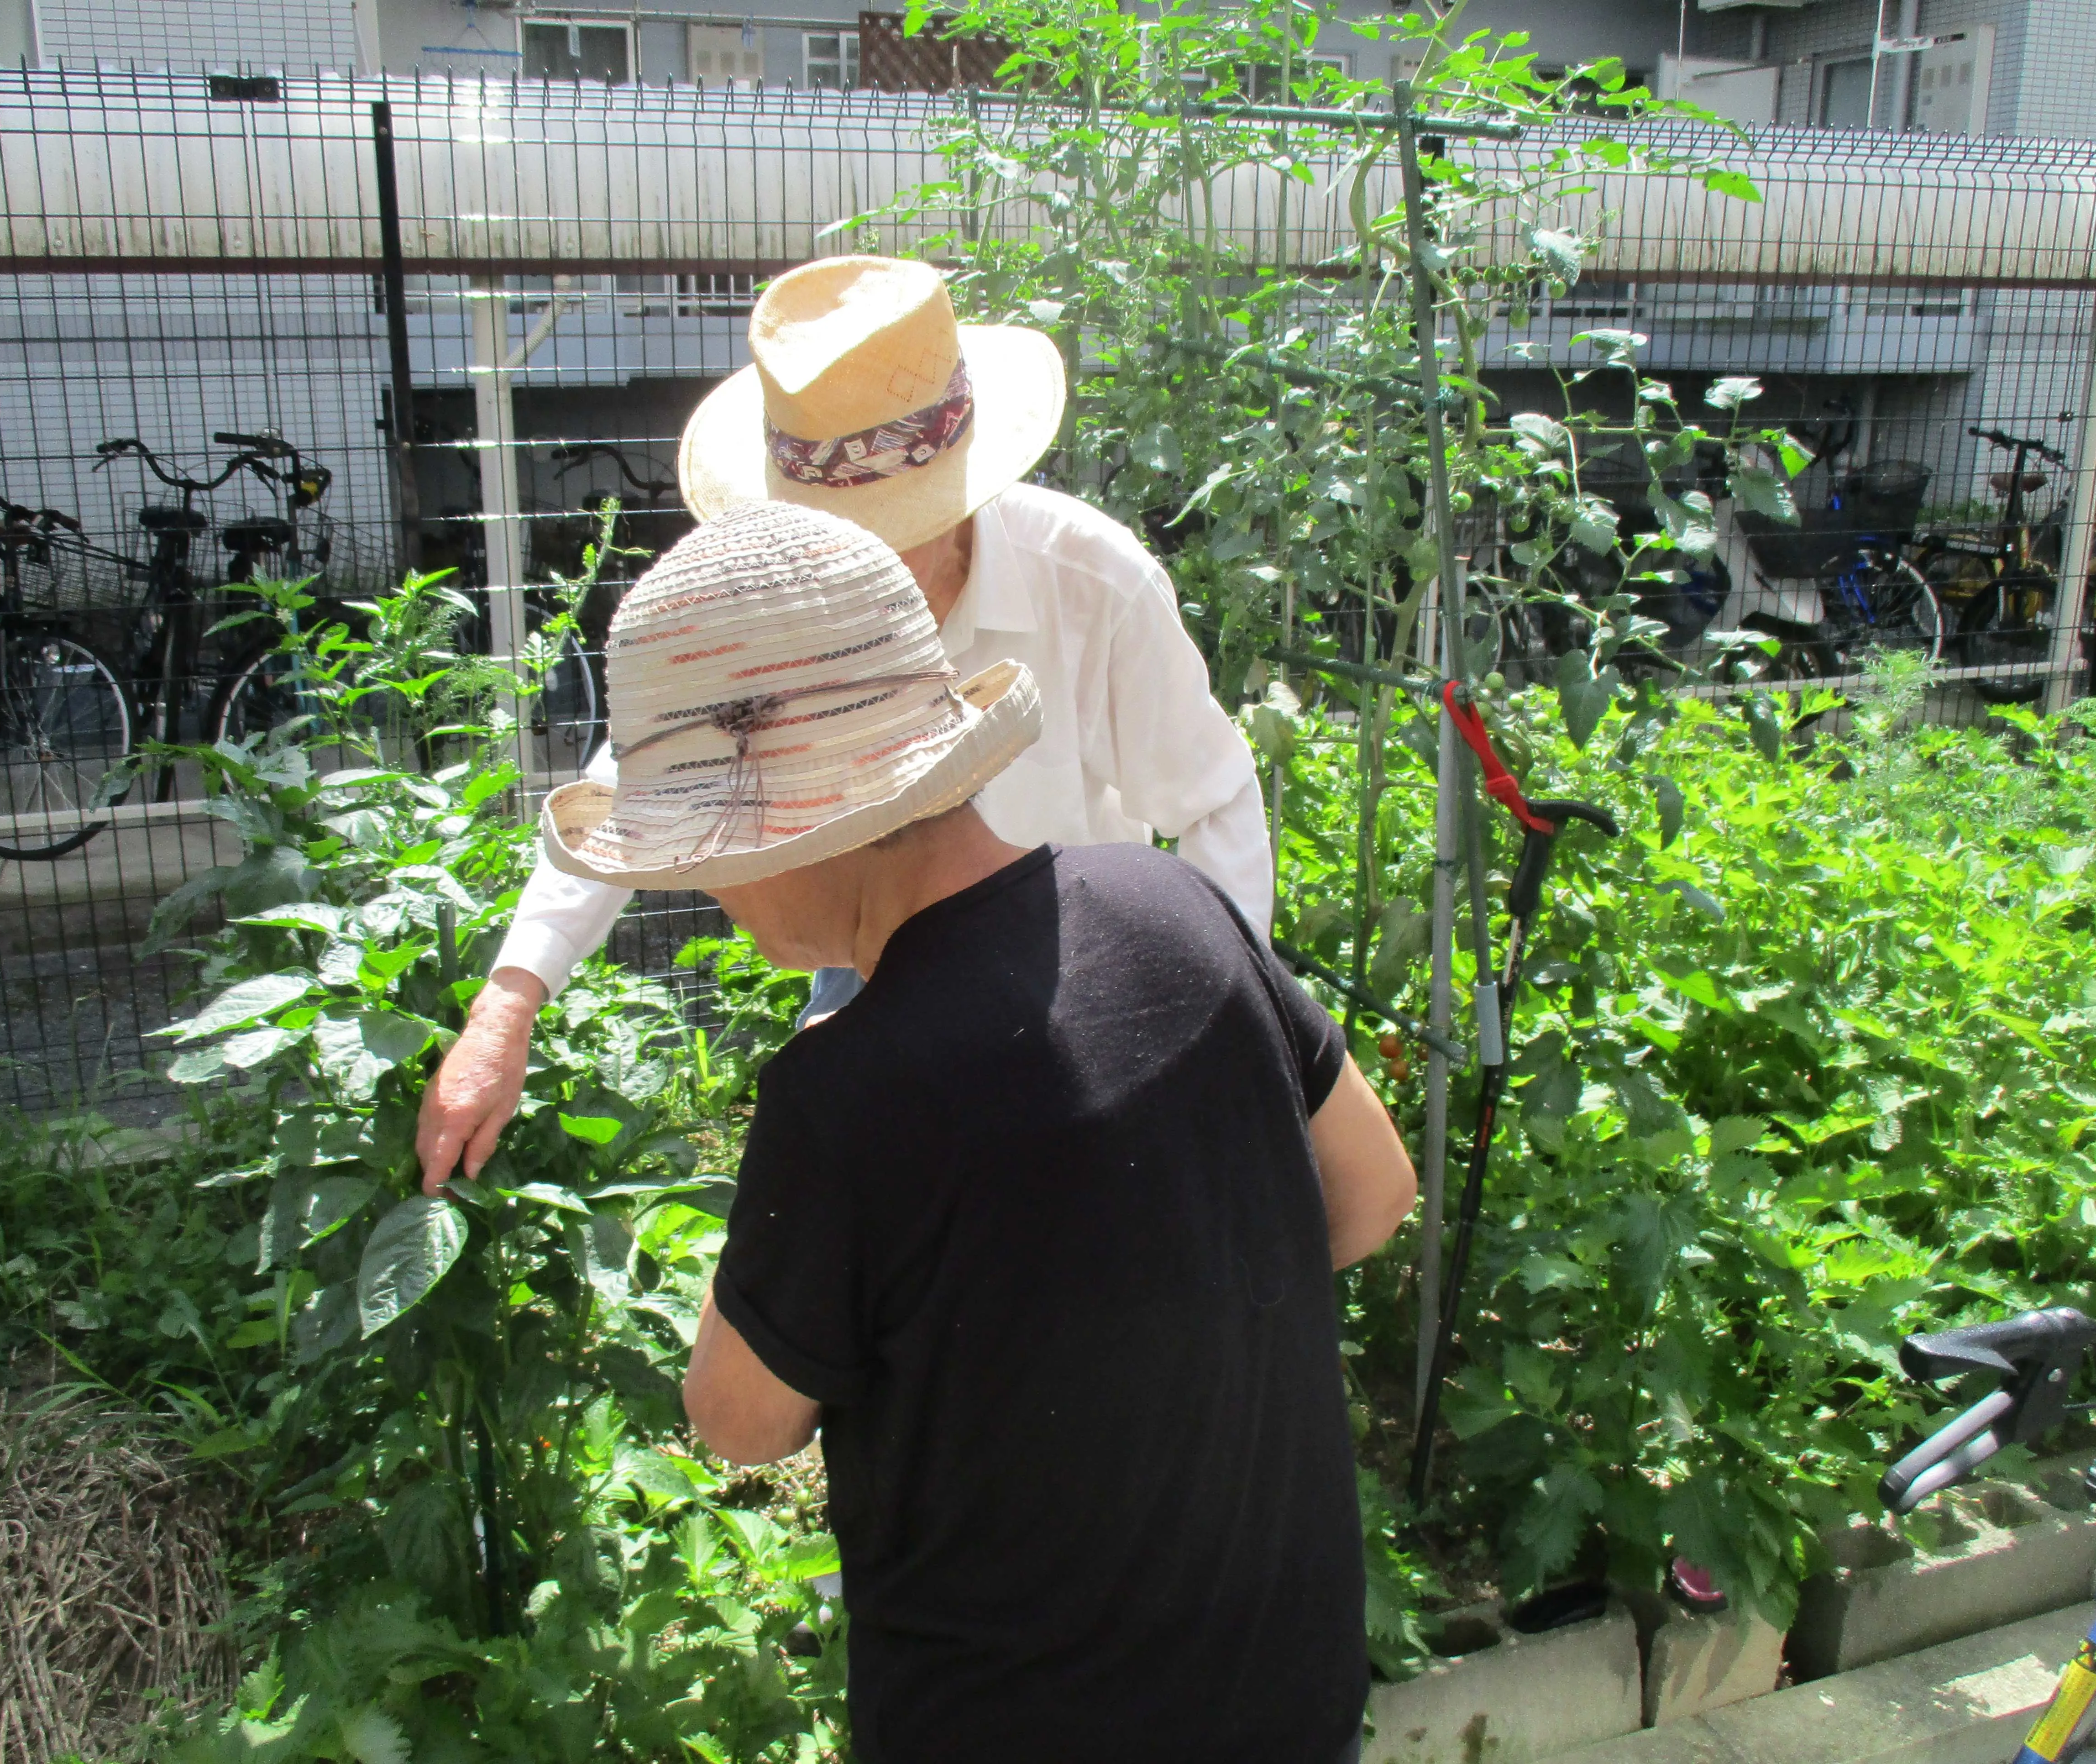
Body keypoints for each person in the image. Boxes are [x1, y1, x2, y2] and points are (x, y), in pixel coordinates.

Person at [531, 500, 1415, 1763]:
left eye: (704, 856)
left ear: (788, 826)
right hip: (1290, 1701)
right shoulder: (1181, 909)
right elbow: (1374, 1190)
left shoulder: (849, 1096)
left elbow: (740, 1419)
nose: (713, 902)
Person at [417, 253, 1270, 1193]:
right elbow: (650, 772)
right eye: (834, 528)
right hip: (862, 971)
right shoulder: (771, 584)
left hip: (1080, 983)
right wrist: (509, 1000)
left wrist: (1216, 1031)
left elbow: (1213, 796)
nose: (850, 561)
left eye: (887, 525)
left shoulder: (1091, 582)